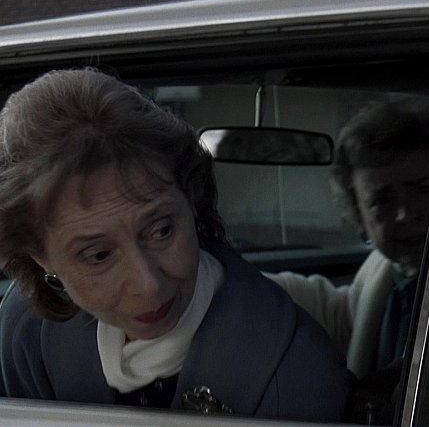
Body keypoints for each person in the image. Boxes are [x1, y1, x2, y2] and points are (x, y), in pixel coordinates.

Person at [0, 68, 354, 421]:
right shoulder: (25, 331)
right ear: (42, 259)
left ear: (191, 199)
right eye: (99, 255)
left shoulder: (299, 375)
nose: (148, 285)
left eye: (162, 230)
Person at [265, 98, 429, 420]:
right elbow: (340, 312)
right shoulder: (384, 270)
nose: (404, 214)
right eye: (382, 201)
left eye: (421, 190)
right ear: (359, 217)